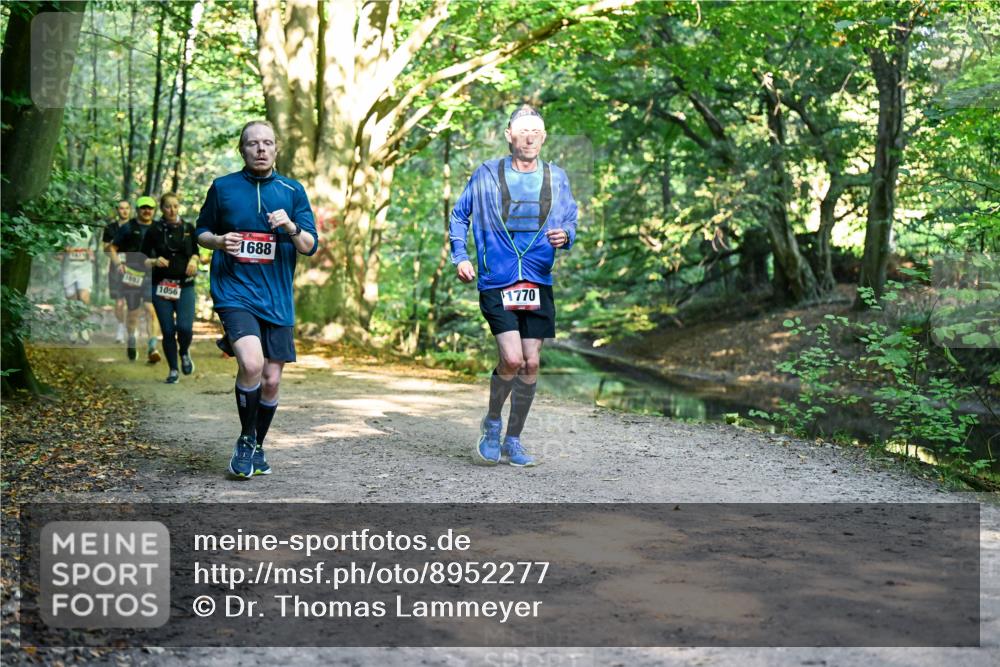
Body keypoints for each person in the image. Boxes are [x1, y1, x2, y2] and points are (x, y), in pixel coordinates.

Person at [449, 105, 578, 467]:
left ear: (544, 136)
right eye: (523, 131)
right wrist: (460, 256)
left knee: (531, 364)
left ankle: (513, 439)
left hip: (537, 279)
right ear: (509, 135)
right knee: (511, 358)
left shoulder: (557, 177)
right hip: (497, 278)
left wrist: (565, 235)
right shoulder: (487, 174)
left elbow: (571, 219)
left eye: (536, 131)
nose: (530, 137)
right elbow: (460, 215)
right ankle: (492, 421)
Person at [196, 120, 318, 479]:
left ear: (276, 149)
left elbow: (310, 246)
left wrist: (291, 228)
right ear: (242, 149)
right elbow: (201, 231)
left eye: (267, 143)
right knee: (251, 364)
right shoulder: (223, 188)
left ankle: (256, 443)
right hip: (234, 290)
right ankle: (246, 441)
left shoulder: (292, 191)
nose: (261, 149)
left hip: (277, 296)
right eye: (253, 144)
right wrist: (219, 242)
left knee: (271, 380)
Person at [141, 193, 200, 384]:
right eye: (168, 207)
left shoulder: (189, 228)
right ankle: (173, 369)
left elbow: (197, 253)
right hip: (161, 286)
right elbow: (141, 258)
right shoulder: (154, 230)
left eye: (175, 206)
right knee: (167, 331)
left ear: (179, 207)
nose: (172, 210)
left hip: (185, 286)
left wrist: (193, 260)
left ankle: (184, 352)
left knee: (184, 327)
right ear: (162, 209)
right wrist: (153, 260)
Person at [110, 196, 162, 363]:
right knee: (133, 314)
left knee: (151, 309)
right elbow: (112, 247)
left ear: (154, 210)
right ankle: (131, 338)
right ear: (138, 210)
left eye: (150, 208)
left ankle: (152, 346)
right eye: (143, 208)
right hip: (132, 276)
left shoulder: (159, 227)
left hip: (152, 275)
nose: (147, 211)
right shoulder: (128, 227)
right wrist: (118, 264)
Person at [59, 224, 96, 343]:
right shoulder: (63, 228)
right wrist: (63, 250)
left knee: (84, 298)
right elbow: (57, 247)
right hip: (69, 268)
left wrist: (91, 251)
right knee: (72, 300)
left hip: (84, 268)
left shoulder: (89, 228)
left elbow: (93, 245)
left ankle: (83, 325)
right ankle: (73, 326)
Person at [103, 200, 131, 343]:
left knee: (133, 301)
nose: (124, 211)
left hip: (134, 268)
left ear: (130, 210)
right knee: (119, 302)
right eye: (121, 208)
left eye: (127, 208)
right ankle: (121, 328)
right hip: (115, 268)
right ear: (117, 210)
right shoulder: (110, 228)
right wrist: (115, 245)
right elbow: (105, 249)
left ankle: (132, 328)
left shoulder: (135, 226)